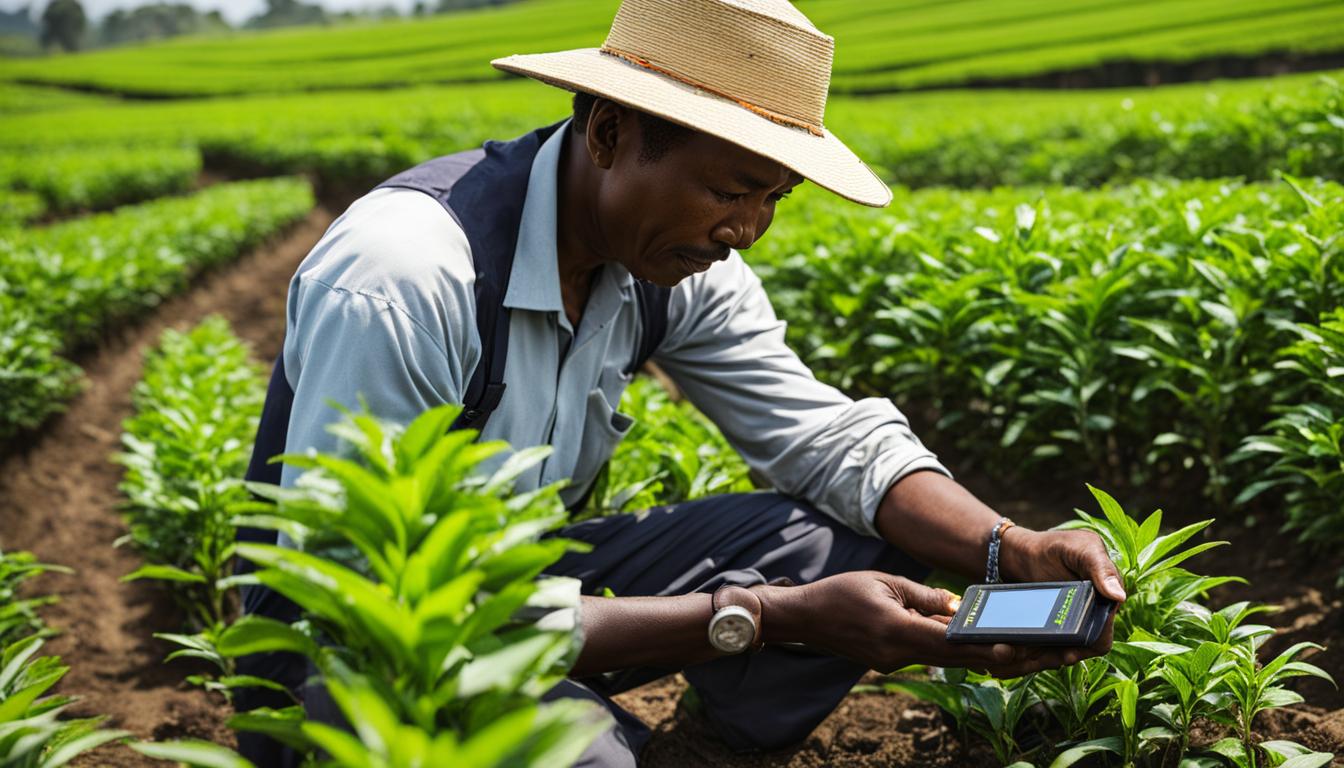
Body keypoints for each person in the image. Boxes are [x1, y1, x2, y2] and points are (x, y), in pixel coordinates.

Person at [236, 0, 1127, 765]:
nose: (749, 228)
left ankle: (700, 750)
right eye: (732, 190)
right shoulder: (408, 272)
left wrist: (1006, 547)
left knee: (837, 540)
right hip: (355, 658)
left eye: (775, 197)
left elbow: (821, 438)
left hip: (517, 586)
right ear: (611, 131)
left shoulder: (672, 264)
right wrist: (761, 616)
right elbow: (364, 604)